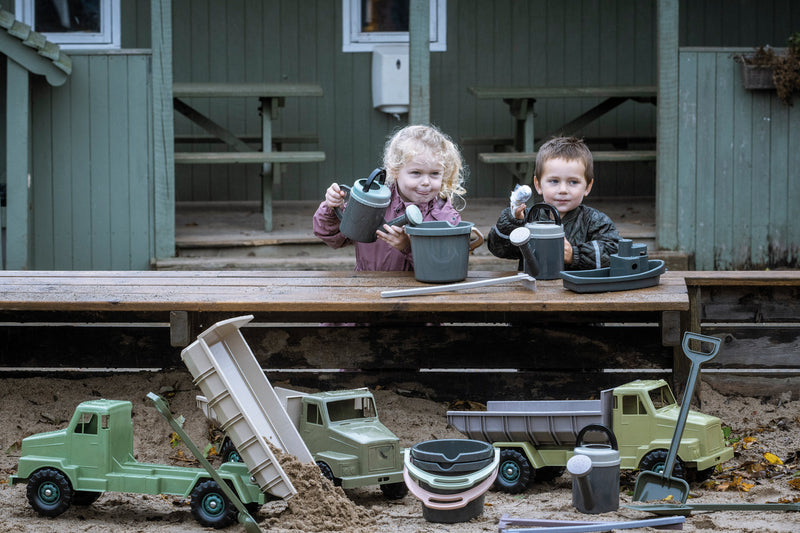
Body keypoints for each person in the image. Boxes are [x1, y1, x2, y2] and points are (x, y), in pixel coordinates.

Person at [313, 124, 467, 271]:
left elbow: (446, 267)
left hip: (418, 294)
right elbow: (332, 237)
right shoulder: (373, 204)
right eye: (416, 173)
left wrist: (408, 247)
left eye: (434, 174)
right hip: (367, 288)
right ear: (394, 170)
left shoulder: (445, 218)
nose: (426, 182)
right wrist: (332, 208)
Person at [487, 136, 619, 270]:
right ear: (538, 184)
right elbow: (498, 249)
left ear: (587, 187)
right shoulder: (527, 219)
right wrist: (513, 223)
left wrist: (574, 255)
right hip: (534, 288)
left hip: (578, 289)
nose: (563, 190)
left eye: (573, 182)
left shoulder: (596, 222)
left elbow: (615, 253)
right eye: (554, 181)